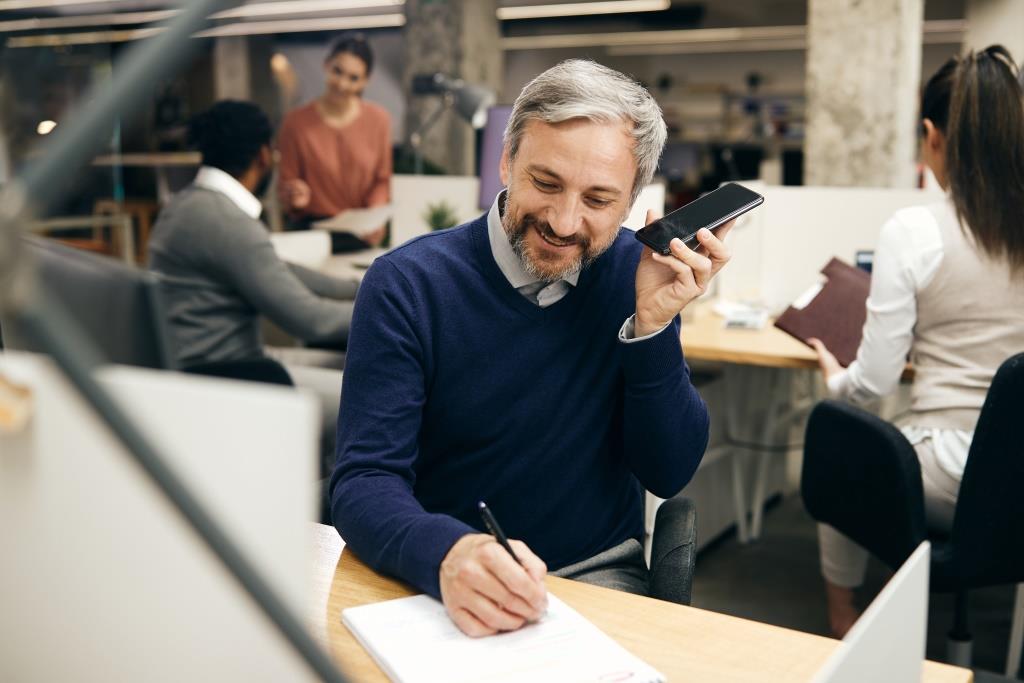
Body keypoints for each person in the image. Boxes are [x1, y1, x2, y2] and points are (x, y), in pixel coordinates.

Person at [330, 60, 734, 637]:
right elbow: (364, 481)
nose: (564, 222)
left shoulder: (639, 273)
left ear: (631, 202)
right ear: (506, 161)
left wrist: (651, 327)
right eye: (545, 183)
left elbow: (668, 472)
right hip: (441, 573)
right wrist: (448, 554)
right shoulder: (408, 285)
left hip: (592, 574)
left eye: (598, 200)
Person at [808, 45, 1024, 637]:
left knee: (842, 439)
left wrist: (836, 379)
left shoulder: (915, 230)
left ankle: (845, 620)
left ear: (932, 136)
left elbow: (875, 382)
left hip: (954, 472)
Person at [148, 100, 359, 478]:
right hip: (228, 379)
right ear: (264, 155)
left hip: (216, 364)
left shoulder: (191, 204)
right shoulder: (226, 222)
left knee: (346, 364)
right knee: (367, 398)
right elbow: (311, 321)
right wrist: (389, 305)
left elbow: (276, 267)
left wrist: (360, 287)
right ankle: (323, 505)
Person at [276, 34, 391, 251]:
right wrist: (295, 194)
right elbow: (286, 184)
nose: (342, 84)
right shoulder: (295, 123)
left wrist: (376, 214)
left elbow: (382, 179)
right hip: (311, 235)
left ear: (365, 81)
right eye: (337, 71)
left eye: (353, 78)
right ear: (326, 65)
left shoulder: (379, 120)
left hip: (360, 234)